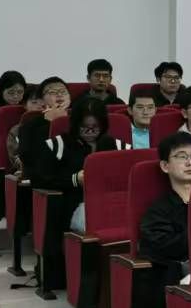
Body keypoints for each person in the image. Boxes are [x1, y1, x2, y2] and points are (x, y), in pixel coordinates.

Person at [21, 93, 118, 231]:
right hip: (71, 204)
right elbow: (38, 179)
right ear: (75, 124)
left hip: (107, 201)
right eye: (84, 126)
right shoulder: (57, 145)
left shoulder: (112, 144)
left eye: (95, 127)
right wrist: (74, 179)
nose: (90, 132)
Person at [138, 131, 191, 291]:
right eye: (182, 156)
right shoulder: (158, 211)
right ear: (165, 166)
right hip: (177, 279)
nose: (190, 162)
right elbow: (164, 249)